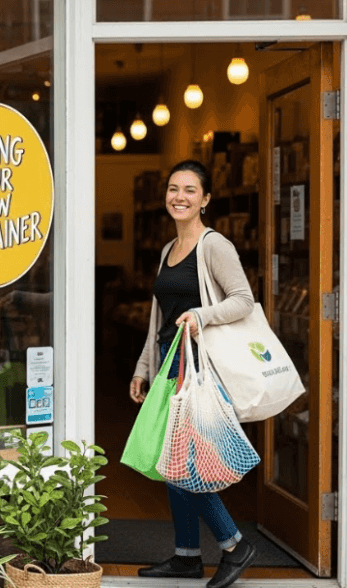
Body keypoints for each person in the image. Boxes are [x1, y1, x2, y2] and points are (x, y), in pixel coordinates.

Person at [129, 159, 257, 588]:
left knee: (187, 462)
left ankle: (235, 544)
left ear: (205, 199)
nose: (179, 196)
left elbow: (242, 299)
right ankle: (186, 555)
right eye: (173, 188)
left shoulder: (213, 245)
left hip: (199, 364)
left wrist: (202, 315)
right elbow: (158, 317)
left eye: (189, 190)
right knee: (172, 459)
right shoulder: (168, 250)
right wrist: (143, 367)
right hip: (170, 360)